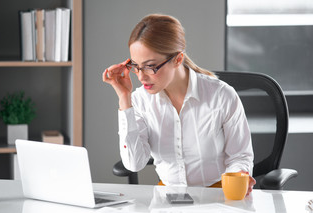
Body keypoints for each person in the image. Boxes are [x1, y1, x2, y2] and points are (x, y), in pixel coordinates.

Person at [102, 14, 256, 195]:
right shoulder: (140, 100)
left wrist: (238, 175)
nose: (141, 77)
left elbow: (240, 156)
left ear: (177, 59)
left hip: (217, 195)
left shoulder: (221, 96)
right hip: (168, 199)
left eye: (150, 66)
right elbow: (134, 164)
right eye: (136, 66)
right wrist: (124, 99)